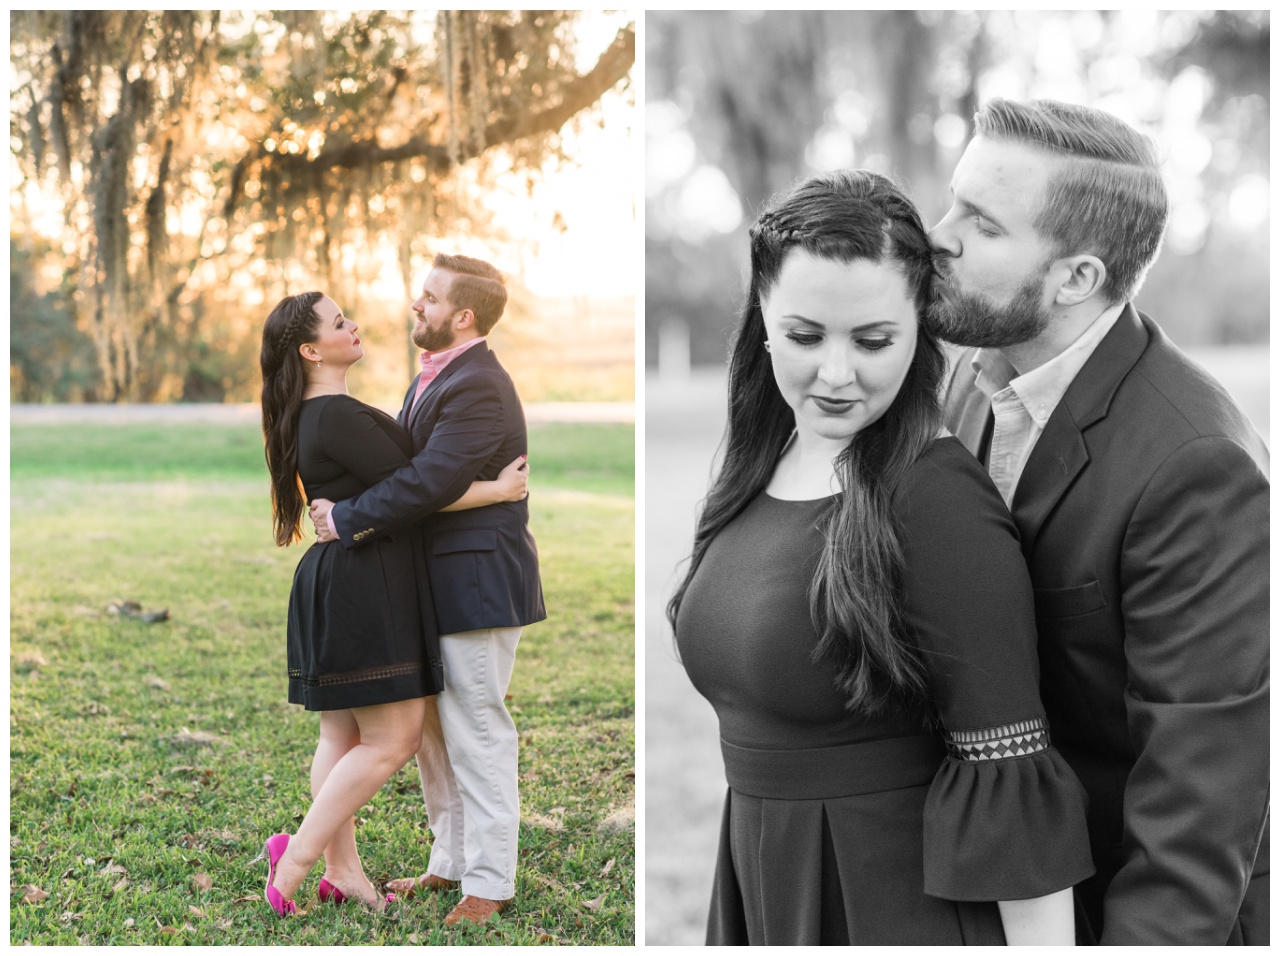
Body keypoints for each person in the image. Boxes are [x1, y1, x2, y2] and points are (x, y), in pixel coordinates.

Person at [668, 168, 1094, 946]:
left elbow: (1011, 777)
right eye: (804, 336)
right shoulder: (763, 461)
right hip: (765, 883)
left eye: (873, 341)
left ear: (919, 328)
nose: (836, 375)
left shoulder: (935, 503)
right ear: (761, 315)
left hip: (892, 905)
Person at [931, 98, 1269, 946]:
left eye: (982, 223)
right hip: (991, 886)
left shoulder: (1198, 467)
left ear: (1077, 278)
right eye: (952, 201)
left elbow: (1198, 810)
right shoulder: (968, 376)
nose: (939, 235)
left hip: (1116, 908)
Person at [254, 290, 529, 918]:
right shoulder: (337, 415)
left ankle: (343, 871)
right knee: (393, 740)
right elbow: (415, 491)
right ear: (310, 349)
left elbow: (403, 487)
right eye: (338, 322)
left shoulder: (310, 412)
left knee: (341, 734)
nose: (354, 326)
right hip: (362, 581)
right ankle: (295, 859)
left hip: (335, 577)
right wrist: (495, 489)